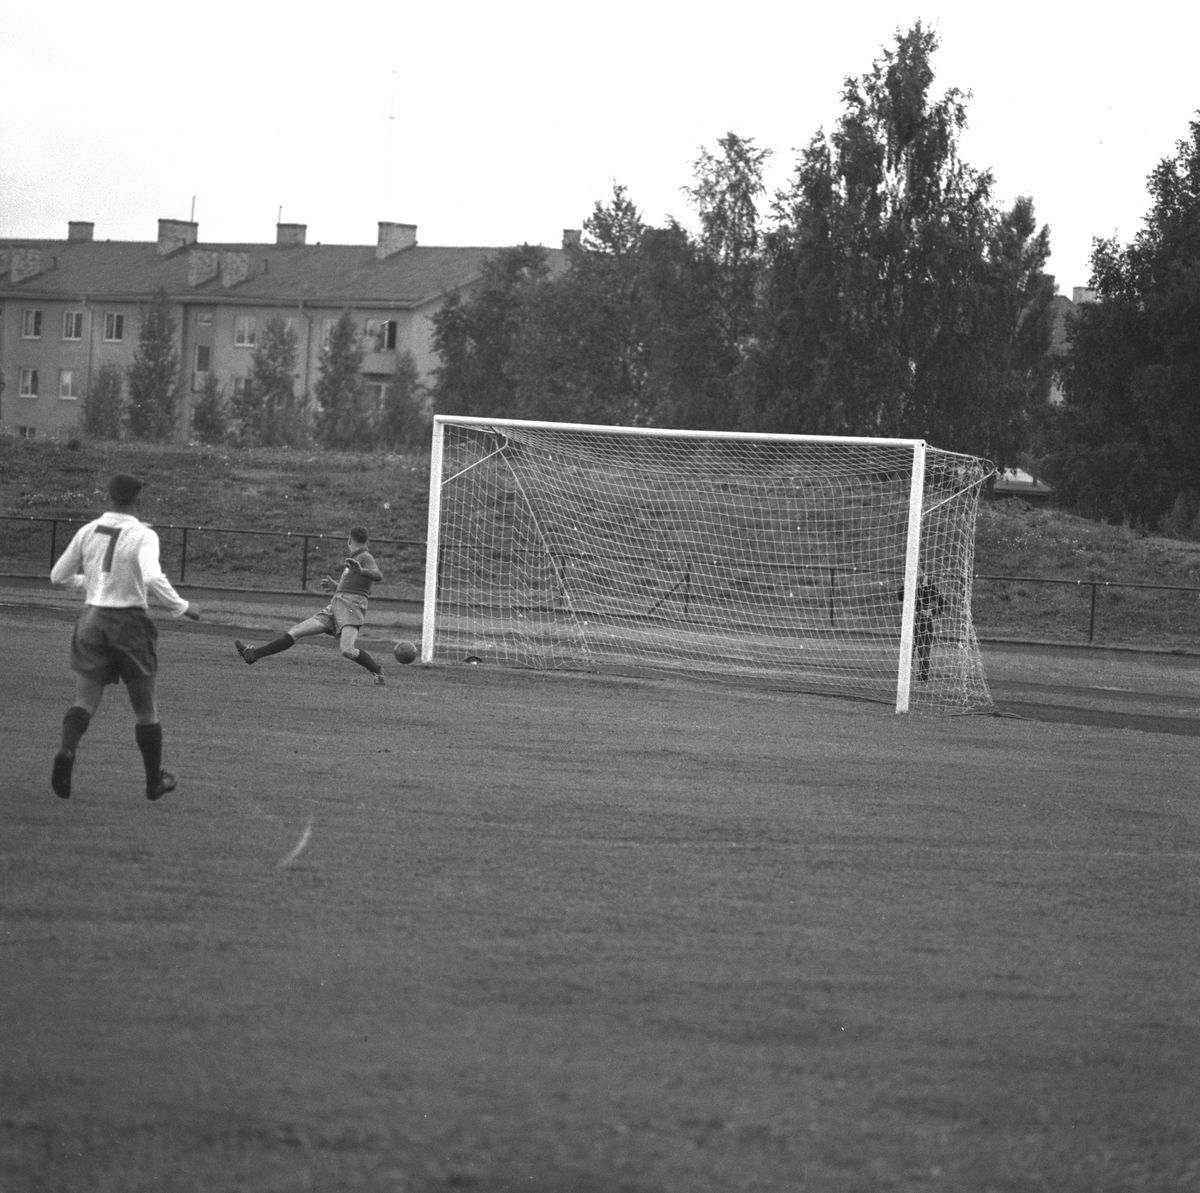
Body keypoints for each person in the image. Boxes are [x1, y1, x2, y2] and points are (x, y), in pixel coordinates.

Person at [49, 472, 201, 801]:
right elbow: (152, 576)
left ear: (109, 496)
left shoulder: (88, 530)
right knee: (145, 709)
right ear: (137, 498)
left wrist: (87, 583)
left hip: (91, 620)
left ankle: (67, 751)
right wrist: (182, 607)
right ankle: (153, 782)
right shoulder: (142, 534)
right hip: (129, 623)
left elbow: (57, 576)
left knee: (84, 701)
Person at [234, 526, 386, 684]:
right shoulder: (355, 559)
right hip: (336, 605)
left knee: (347, 650)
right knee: (296, 631)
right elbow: (358, 586)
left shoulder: (365, 556)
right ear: (367, 541)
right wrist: (337, 587)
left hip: (350, 607)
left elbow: (378, 575)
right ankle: (253, 654)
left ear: (349, 540)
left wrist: (361, 571)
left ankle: (378, 671)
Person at [896, 572, 946, 683]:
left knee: (923, 649)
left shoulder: (929, 585)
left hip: (923, 620)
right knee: (907, 648)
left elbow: (943, 603)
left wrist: (930, 612)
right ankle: (905, 677)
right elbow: (900, 596)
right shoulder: (910, 582)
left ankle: (923, 678)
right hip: (910, 619)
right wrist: (905, 585)